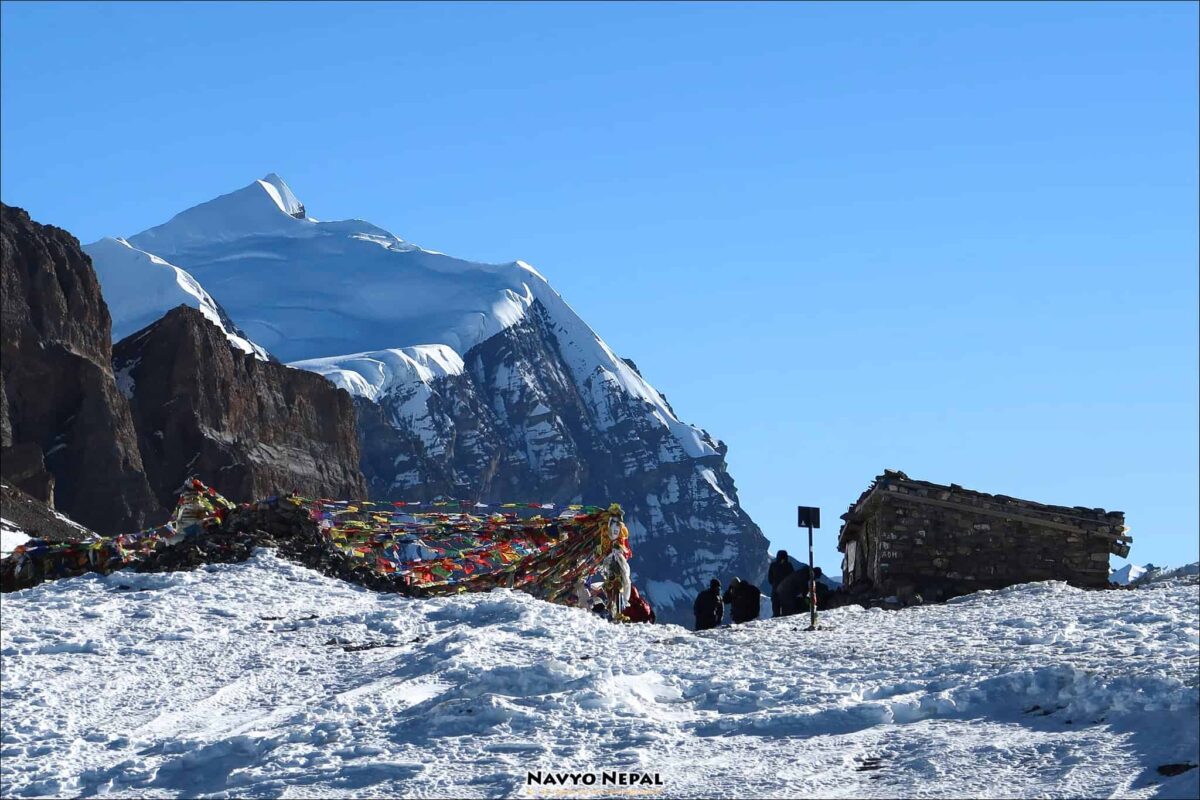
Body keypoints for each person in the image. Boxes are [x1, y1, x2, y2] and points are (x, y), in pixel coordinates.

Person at [767, 550, 795, 617]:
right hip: (786, 591)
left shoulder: (773, 565)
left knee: (776, 610)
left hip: (775, 590)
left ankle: (775, 624)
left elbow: (770, 579)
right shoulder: (789, 565)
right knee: (786, 612)